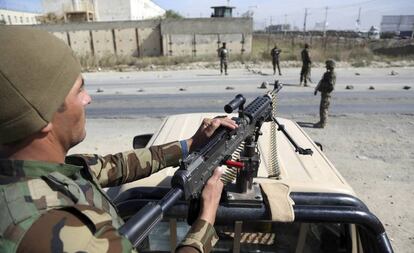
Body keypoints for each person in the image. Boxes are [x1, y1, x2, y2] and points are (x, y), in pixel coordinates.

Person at [0, 26, 237, 253]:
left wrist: (190, 145)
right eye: (79, 91)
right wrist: (205, 221)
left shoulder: (39, 169)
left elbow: (115, 166)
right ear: (42, 118)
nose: (88, 99)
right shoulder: (57, 232)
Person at [314, 59, 336, 128]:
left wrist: (324, 88)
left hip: (326, 94)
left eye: (327, 65)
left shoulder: (331, 75)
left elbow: (331, 86)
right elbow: (322, 81)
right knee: (322, 108)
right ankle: (322, 121)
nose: (326, 67)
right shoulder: (328, 74)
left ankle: (322, 123)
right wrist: (317, 89)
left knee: (324, 108)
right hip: (325, 93)